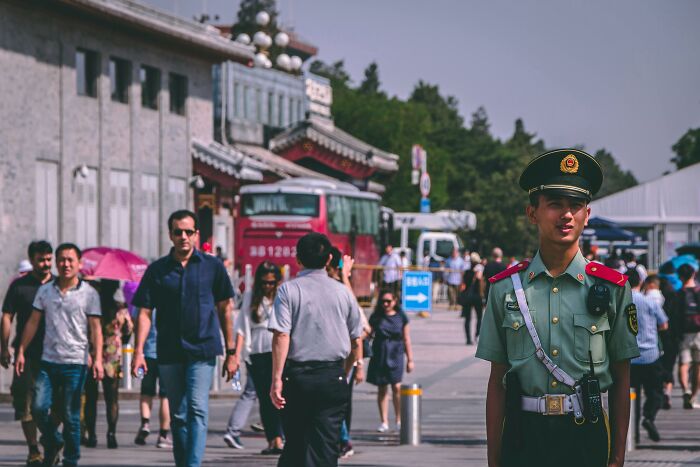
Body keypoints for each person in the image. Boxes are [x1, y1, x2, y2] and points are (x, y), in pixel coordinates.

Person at [476, 149, 640, 467]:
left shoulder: (611, 288)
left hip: (585, 434)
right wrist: (493, 459)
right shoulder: (506, 288)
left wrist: (617, 458)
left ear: (586, 214)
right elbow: (497, 381)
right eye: (554, 205)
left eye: (575, 206)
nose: (566, 215)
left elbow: (622, 378)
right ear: (532, 213)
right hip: (523, 435)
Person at [131, 209, 236, 467]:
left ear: (197, 235)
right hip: (168, 351)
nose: (183, 237)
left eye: (189, 232)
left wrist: (232, 352)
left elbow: (225, 308)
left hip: (202, 350)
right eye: (178, 232)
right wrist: (138, 351)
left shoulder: (213, 267)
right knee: (178, 414)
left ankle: (193, 464)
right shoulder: (157, 270)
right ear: (170, 235)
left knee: (198, 410)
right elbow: (144, 312)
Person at [269, 232, 363, 467]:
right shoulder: (343, 292)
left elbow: (282, 335)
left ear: (297, 259)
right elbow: (356, 339)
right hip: (332, 375)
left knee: (296, 442)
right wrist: (346, 370)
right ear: (329, 259)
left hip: (298, 376)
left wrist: (276, 379)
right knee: (326, 446)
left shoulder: (288, 291)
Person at [15, 243, 104, 467]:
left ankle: (70, 461)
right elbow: (33, 322)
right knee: (37, 407)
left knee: (71, 415)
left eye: (70, 260)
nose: (65, 264)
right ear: (56, 262)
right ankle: (53, 441)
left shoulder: (89, 294)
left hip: (76, 363)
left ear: (79, 264)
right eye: (61, 260)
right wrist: (21, 351)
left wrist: (98, 358)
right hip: (48, 361)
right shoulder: (45, 291)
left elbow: (96, 329)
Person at [1, 241, 54, 466]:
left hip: (56, 355)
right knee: (26, 403)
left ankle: (51, 439)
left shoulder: (59, 285)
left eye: (49, 259)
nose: (46, 264)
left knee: (54, 404)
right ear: (31, 260)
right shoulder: (20, 287)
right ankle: (34, 448)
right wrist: (4, 347)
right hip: (27, 356)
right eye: (41, 259)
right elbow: (7, 316)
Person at [229, 261, 285, 455]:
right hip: (257, 353)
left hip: (278, 352)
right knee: (264, 399)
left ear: (277, 281)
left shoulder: (283, 296)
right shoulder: (251, 297)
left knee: (280, 398)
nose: (267, 286)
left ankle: (281, 438)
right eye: (264, 282)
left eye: (271, 282)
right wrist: (236, 355)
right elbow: (242, 327)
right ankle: (272, 440)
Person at [326, 247, 370, 459]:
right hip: (339, 354)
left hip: (344, 355)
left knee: (338, 400)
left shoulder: (339, 288)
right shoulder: (335, 287)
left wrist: (358, 364)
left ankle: (342, 439)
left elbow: (360, 326)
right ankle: (340, 438)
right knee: (339, 400)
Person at [81, 279, 133, 449]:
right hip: (112, 357)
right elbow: (128, 332)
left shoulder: (92, 306)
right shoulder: (121, 309)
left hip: (93, 354)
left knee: (91, 398)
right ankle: (111, 434)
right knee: (112, 399)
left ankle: (92, 434)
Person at [367, 289, 414, 433]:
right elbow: (368, 334)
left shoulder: (401, 317)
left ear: (395, 301)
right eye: (383, 301)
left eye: (388, 301)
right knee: (382, 388)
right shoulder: (376, 317)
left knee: (396, 387)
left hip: (396, 353)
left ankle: (399, 419)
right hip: (380, 353)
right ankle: (384, 421)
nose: (385, 304)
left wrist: (410, 359)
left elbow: (407, 338)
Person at [629, 269, 668, 442]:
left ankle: (631, 428)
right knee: (655, 392)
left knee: (628, 394)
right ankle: (649, 417)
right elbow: (664, 324)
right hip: (650, 355)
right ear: (641, 282)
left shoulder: (618, 303)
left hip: (628, 357)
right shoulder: (649, 302)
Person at [676, 263, 700, 409]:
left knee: (684, 364)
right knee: (698, 366)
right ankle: (693, 397)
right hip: (698, 332)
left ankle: (686, 389)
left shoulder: (679, 293)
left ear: (680, 276)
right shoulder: (698, 291)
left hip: (684, 332)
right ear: (693, 274)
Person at [460, 252, 484, 345]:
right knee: (479, 317)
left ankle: (468, 339)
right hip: (477, 297)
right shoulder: (479, 272)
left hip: (467, 297)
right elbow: (480, 280)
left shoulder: (466, 272)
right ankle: (477, 335)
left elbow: (462, 285)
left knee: (467, 319)